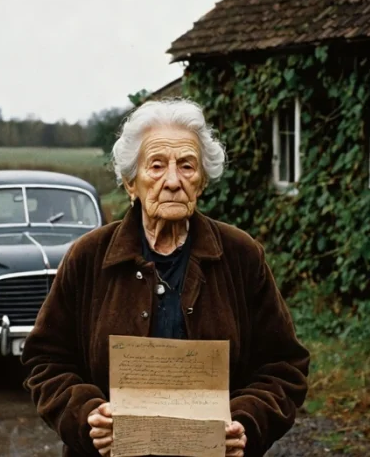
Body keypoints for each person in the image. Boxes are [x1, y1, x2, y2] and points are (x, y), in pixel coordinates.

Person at [21, 98, 310, 457]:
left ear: (202, 181)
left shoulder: (241, 255)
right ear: (131, 183)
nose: (173, 181)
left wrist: (245, 424)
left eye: (187, 166)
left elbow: (284, 366)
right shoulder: (89, 257)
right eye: (156, 166)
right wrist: (88, 416)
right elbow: (45, 360)